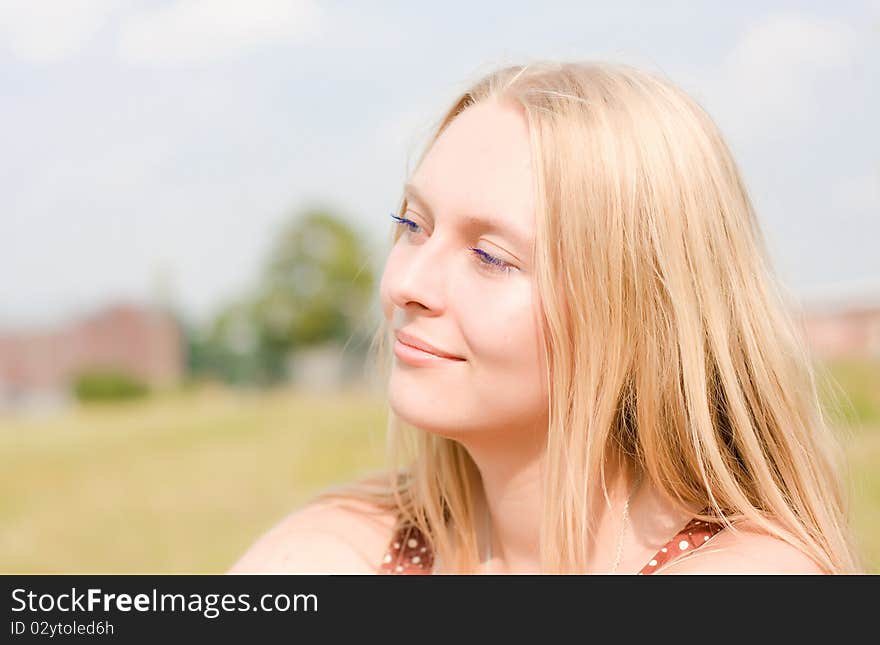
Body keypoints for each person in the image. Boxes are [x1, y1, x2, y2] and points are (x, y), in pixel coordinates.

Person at [228, 60, 863, 575]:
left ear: (641, 315)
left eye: (489, 256)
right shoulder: (334, 553)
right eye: (411, 225)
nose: (405, 283)